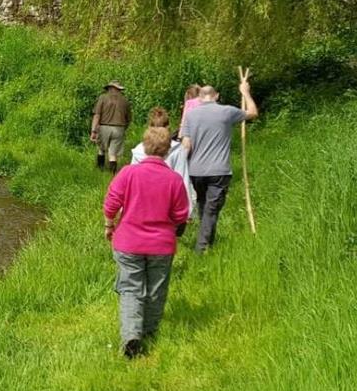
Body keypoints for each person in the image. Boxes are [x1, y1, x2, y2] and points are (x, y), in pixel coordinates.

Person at [104, 126, 190, 358]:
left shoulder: (128, 173)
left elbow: (111, 202)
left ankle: (131, 336)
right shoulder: (174, 179)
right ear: (166, 151)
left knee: (131, 289)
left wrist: (109, 225)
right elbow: (182, 214)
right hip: (161, 245)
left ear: (144, 146)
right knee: (155, 289)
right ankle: (149, 333)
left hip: (128, 242)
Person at [180, 79, 258, 254]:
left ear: (199, 98)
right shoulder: (227, 111)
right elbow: (253, 112)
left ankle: (209, 243)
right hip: (219, 170)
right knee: (211, 209)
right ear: (216, 96)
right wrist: (245, 92)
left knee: (204, 206)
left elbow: (186, 143)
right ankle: (201, 248)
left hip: (196, 170)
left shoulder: (190, 115)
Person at [130, 107, 195, 219]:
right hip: (167, 197)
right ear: (168, 127)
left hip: (143, 199)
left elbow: (131, 180)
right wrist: (188, 210)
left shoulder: (139, 149)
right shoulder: (177, 149)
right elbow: (183, 178)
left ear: (149, 127)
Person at [90, 81, 131, 173]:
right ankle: (111, 175)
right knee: (113, 154)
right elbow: (129, 118)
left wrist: (93, 131)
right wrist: (124, 128)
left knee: (101, 149)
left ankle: (100, 171)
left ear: (110, 88)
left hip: (104, 127)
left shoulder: (103, 98)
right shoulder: (125, 100)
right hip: (119, 129)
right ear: (118, 89)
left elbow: (97, 115)